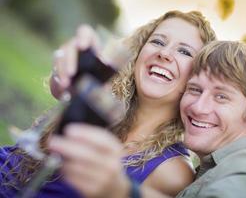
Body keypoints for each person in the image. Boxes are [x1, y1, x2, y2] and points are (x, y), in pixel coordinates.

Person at [0, 10, 217, 197]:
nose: (164, 54)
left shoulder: (174, 171)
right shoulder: (105, 100)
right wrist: (65, 68)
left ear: (196, 77)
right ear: (139, 52)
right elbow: (62, 85)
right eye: (158, 41)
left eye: (184, 51)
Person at [48, 40, 246, 198]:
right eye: (194, 89)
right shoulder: (214, 165)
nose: (199, 107)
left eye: (221, 97)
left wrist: (123, 191)